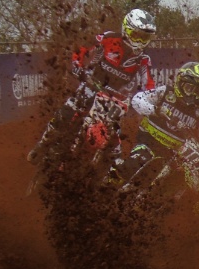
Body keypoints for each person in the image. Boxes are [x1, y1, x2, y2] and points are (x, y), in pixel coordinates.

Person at [28, 8, 156, 162]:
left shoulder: (143, 59)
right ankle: (43, 144)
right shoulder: (109, 38)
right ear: (126, 29)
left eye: (145, 37)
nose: (140, 41)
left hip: (116, 100)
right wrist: (77, 65)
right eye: (137, 35)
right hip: (92, 85)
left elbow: (148, 83)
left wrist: (150, 98)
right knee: (67, 111)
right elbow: (82, 48)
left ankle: (100, 175)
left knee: (114, 144)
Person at [107, 61, 199, 187]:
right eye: (189, 88)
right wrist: (155, 110)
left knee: (190, 182)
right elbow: (137, 99)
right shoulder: (165, 92)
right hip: (147, 141)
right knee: (134, 163)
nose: (192, 95)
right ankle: (109, 185)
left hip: (174, 156)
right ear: (180, 82)